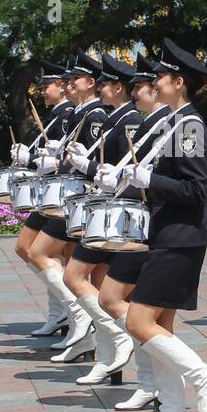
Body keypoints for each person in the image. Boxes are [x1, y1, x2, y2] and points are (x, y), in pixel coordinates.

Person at [96, 39, 207, 412]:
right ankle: (173, 411)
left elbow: (196, 188)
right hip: (165, 233)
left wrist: (149, 179)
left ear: (179, 81)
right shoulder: (175, 122)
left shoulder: (190, 126)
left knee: (139, 322)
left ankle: (206, 379)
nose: (153, 81)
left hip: (181, 238)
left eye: (160, 76)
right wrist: (125, 179)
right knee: (160, 329)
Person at [102, 54, 177, 408]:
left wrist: (137, 181)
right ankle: (158, 389)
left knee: (125, 306)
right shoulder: (156, 121)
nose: (135, 94)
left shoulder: (171, 123)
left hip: (154, 226)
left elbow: (191, 185)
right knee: (149, 317)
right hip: (146, 224)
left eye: (142, 86)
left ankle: (166, 384)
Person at [63, 53, 142, 383]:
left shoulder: (129, 118)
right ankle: (108, 357)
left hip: (116, 210)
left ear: (119, 88)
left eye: (107, 83)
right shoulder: (113, 116)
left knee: (75, 276)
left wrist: (90, 166)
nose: (102, 88)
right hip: (102, 207)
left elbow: (134, 170)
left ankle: (119, 338)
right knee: (91, 281)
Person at [26, 53, 108, 360]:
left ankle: (78, 316)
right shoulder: (79, 113)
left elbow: (97, 164)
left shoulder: (96, 115)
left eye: (73, 80)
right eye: (68, 80)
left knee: (39, 252)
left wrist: (75, 163)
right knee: (66, 262)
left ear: (90, 83)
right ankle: (75, 319)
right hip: (69, 194)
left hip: (79, 196)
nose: (68, 84)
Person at [11, 60, 74, 337]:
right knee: (38, 252)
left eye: (47, 86)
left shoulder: (67, 114)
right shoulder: (58, 115)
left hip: (61, 194)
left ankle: (71, 310)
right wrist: (28, 154)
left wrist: (34, 157)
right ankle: (60, 312)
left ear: (61, 87)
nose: (42, 91)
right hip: (50, 191)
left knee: (38, 251)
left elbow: (63, 159)